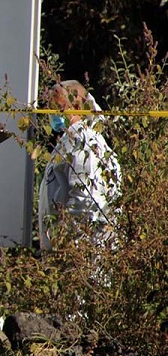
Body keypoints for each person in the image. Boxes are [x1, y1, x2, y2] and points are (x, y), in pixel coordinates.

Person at [37, 80, 122, 250]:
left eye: (58, 107)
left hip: (80, 253)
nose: (53, 113)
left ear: (76, 108)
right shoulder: (72, 141)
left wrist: (71, 249)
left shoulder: (82, 143)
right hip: (70, 251)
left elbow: (84, 202)